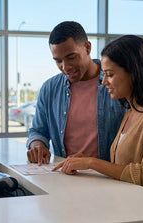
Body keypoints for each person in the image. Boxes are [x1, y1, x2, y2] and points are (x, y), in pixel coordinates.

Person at [52, 35, 143, 199]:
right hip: (129, 210)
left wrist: (92, 163)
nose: (104, 82)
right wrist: (87, 161)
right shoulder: (131, 112)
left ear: (134, 72)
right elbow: (123, 169)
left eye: (109, 74)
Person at [27, 21, 125, 165]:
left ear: (87, 47)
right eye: (58, 61)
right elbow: (38, 130)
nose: (65, 67)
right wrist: (37, 145)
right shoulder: (49, 88)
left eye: (71, 57)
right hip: (66, 177)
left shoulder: (117, 83)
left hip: (109, 178)